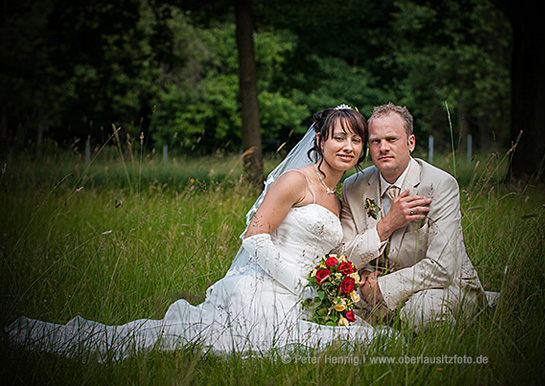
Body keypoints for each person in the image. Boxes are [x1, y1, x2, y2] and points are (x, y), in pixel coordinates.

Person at [7, 105, 393, 361]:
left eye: (356, 140)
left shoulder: (338, 194)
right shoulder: (296, 181)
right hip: (266, 289)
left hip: (308, 295)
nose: (348, 146)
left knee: (368, 341)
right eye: (338, 137)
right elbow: (255, 237)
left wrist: (333, 286)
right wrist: (302, 285)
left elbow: (329, 251)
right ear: (320, 140)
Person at [340, 102, 497, 331]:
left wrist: (382, 287)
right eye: (375, 141)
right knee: (331, 309)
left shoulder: (440, 184)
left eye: (392, 139)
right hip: (372, 287)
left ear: (410, 142)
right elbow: (344, 254)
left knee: (421, 312)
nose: (383, 147)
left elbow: (443, 267)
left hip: (439, 288)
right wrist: (385, 228)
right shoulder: (352, 186)